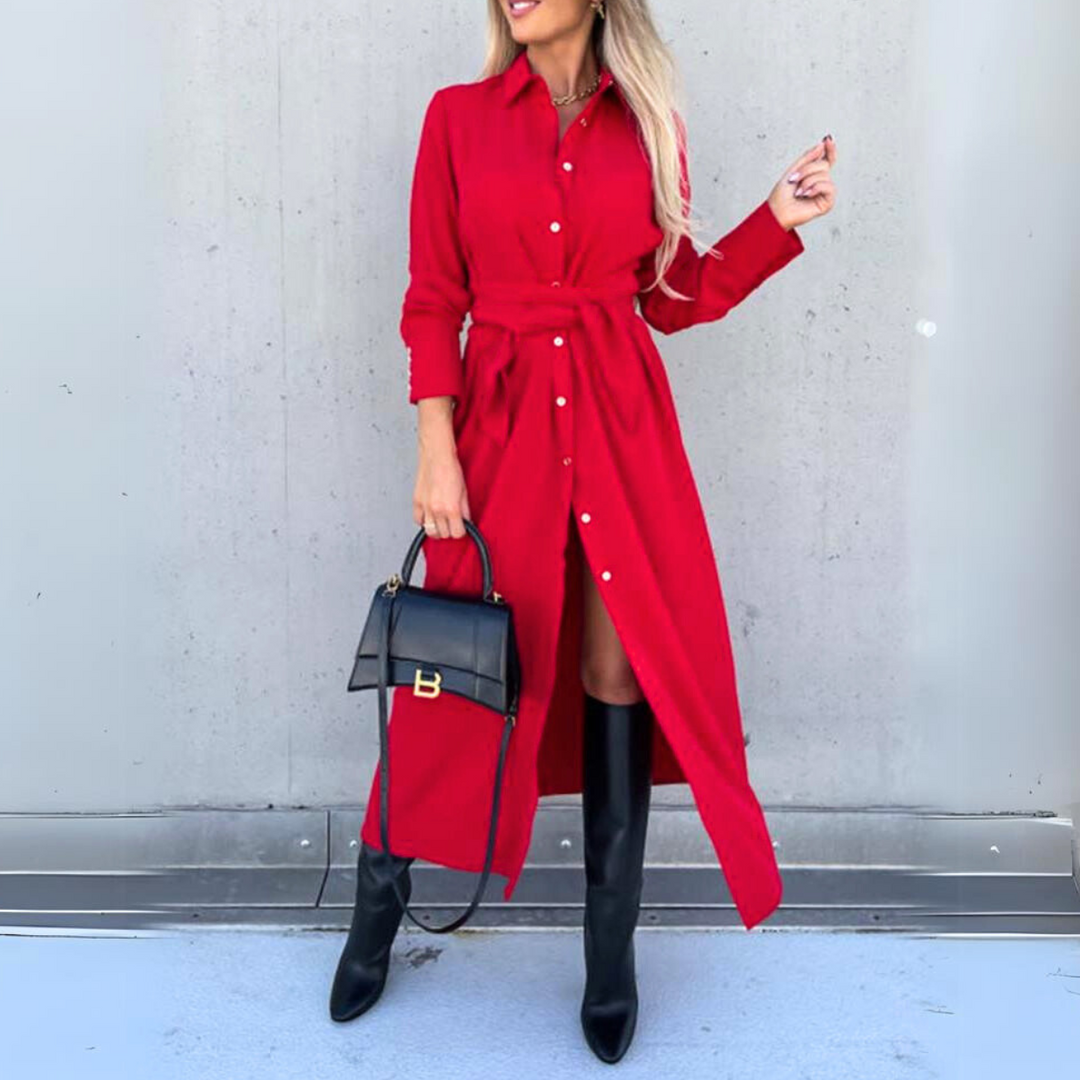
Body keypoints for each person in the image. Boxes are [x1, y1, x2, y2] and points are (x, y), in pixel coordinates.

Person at [331, 0, 836, 1063]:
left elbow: (670, 297)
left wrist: (775, 220)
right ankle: (377, 910)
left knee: (622, 678)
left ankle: (611, 961)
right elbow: (433, 300)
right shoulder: (457, 118)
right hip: (502, 430)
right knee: (456, 683)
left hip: (619, 430)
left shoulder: (648, 123)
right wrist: (437, 446)